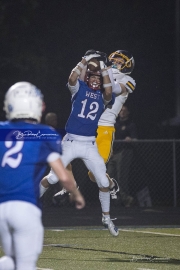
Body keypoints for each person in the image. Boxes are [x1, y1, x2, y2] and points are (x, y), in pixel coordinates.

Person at [0, 82, 85, 270]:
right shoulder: (44, 132)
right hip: (25, 208)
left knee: (12, 259)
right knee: (25, 264)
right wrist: (75, 192)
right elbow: (61, 172)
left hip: (2, 207)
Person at [39, 51, 120, 236]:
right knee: (52, 178)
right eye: (92, 76)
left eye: (99, 78)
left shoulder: (104, 95)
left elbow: (109, 91)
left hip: (89, 144)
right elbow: (72, 77)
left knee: (102, 180)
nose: (95, 81)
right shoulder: (79, 88)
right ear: (88, 76)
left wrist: (105, 68)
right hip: (71, 141)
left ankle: (106, 218)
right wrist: (84, 59)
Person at [53, 50, 136, 203]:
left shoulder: (128, 79)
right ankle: (72, 186)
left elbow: (113, 89)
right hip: (87, 125)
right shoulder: (102, 72)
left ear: (127, 65)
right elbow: (79, 79)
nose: (116, 63)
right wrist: (86, 60)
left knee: (94, 176)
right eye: (115, 60)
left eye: (120, 61)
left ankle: (111, 184)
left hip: (104, 129)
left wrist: (102, 68)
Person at [107, 104, 138, 207]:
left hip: (124, 152)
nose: (122, 112)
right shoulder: (115, 125)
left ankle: (125, 199)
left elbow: (135, 139)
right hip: (114, 153)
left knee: (121, 176)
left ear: (128, 112)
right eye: (121, 110)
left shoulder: (130, 125)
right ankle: (121, 198)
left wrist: (130, 140)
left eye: (124, 110)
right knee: (109, 176)